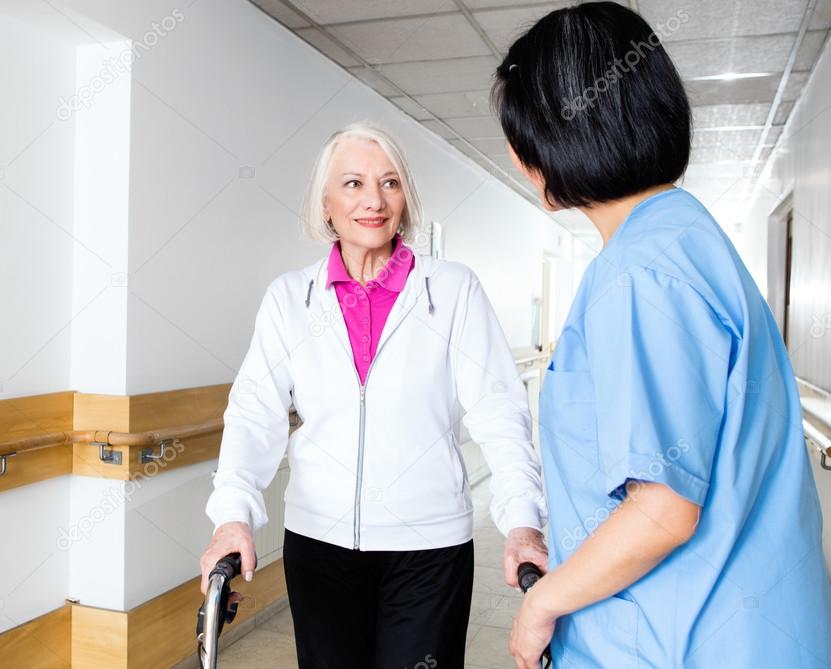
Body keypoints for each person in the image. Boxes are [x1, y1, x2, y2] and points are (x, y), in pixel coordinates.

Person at [493, 3, 831, 668]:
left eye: (520, 131)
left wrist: (541, 604)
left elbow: (662, 511)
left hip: (680, 642)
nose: (515, 153)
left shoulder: (638, 274)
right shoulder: (684, 237)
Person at [198, 122, 548, 668]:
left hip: (428, 549)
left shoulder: (453, 291)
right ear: (327, 202)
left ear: (406, 198)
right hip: (319, 546)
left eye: (389, 183)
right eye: (354, 184)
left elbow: (500, 413)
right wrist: (233, 514)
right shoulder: (291, 299)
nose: (373, 200)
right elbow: (253, 415)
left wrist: (523, 521)